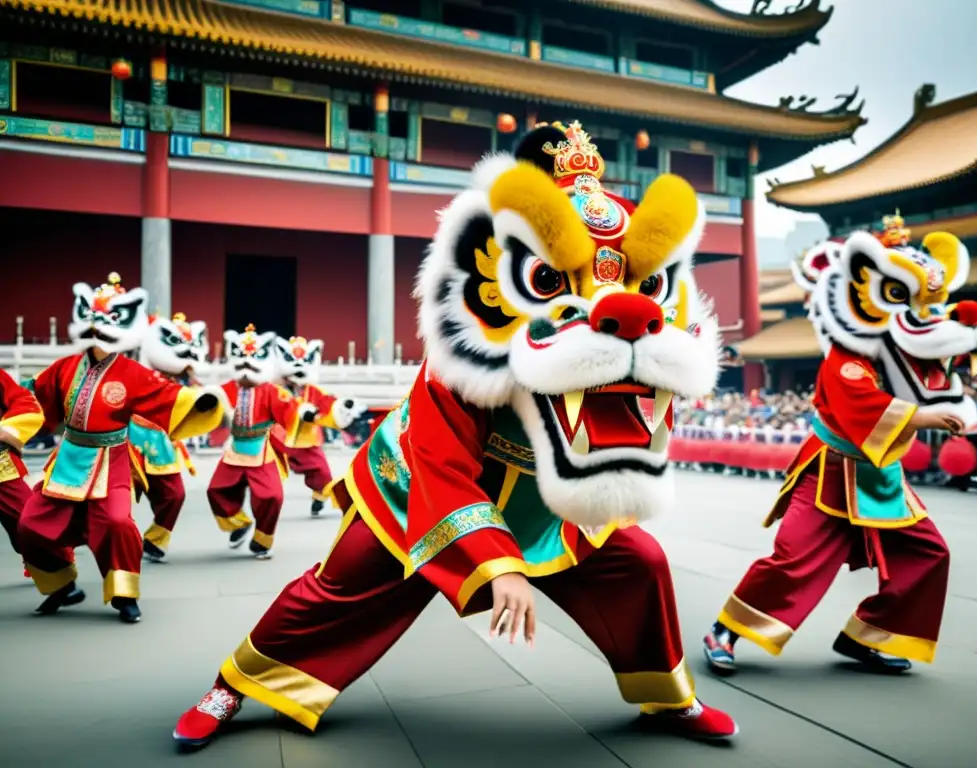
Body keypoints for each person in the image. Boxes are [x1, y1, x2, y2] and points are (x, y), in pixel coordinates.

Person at [173, 120, 739, 749]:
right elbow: (441, 466)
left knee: (640, 564)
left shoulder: (629, 342)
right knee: (342, 580)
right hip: (418, 490)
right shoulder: (463, 354)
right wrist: (499, 567)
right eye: (553, 282)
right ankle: (235, 682)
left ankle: (668, 698)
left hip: (549, 504)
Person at [704, 224, 977, 675]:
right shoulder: (846, 359)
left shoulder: (897, 351)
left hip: (881, 475)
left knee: (927, 552)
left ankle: (869, 635)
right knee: (793, 557)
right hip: (830, 470)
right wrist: (930, 418)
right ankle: (724, 630)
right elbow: (864, 407)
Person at [19, 274, 223, 623]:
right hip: (67, 456)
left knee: (116, 522)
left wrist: (198, 402)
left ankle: (124, 594)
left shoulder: (131, 372)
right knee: (29, 524)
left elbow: (166, 396)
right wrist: (11, 400)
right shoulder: (64, 368)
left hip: (109, 459)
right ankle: (60, 583)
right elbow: (34, 396)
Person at [207, 325, 316, 559]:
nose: (247, 362)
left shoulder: (270, 391)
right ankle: (238, 524)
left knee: (271, 496)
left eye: (253, 356)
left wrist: (303, 412)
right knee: (216, 491)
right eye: (242, 356)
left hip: (261, 449)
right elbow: (210, 401)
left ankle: (262, 539)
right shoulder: (227, 388)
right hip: (235, 449)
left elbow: (290, 407)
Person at [130, 312, 211, 561]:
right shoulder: (136, 370)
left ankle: (155, 539)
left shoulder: (186, 379)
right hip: (128, 440)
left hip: (162, 443)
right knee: (110, 500)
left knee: (174, 495)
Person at [270, 335, 362, 516]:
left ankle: (321, 498)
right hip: (278, 440)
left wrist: (342, 407)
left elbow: (327, 404)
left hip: (307, 442)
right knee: (264, 474)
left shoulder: (314, 391)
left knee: (323, 474)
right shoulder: (274, 390)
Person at [0, 369, 45, 558]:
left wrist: (5, 432)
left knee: (31, 527)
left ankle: (59, 578)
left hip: (2, 471)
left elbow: (25, 403)